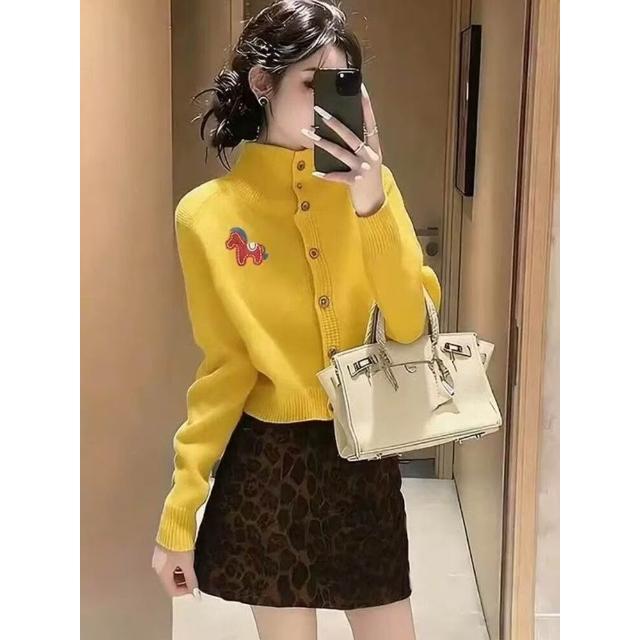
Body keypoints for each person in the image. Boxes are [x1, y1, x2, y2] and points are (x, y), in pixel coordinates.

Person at [151, 1, 441, 638]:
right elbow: (224, 370)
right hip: (269, 466)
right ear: (263, 82)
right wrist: (180, 513)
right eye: (313, 83)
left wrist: (371, 205)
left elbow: (408, 329)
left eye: (343, 85)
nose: (330, 102)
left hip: (362, 452)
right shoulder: (205, 215)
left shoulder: (373, 191)